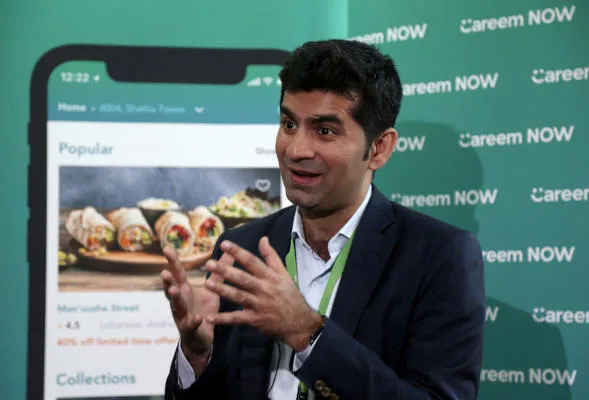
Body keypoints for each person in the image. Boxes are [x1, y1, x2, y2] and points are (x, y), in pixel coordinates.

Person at [161, 39, 485, 400]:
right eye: (289, 124)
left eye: (325, 131)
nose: (296, 149)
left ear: (379, 148)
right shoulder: (240, 248)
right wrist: (197, 354)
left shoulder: (438, 257)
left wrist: (307, 334)